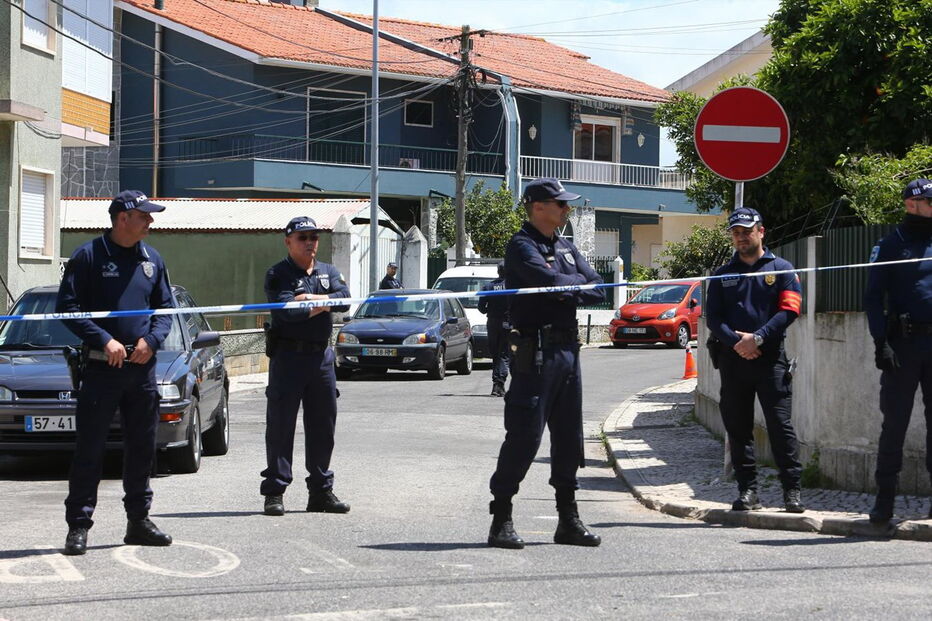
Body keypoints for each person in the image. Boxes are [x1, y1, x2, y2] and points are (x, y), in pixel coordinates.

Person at [487, 178, 604, 549]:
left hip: (568, 351)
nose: (566, 209)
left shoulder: (565, 246)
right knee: (524, 436)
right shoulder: (521, 245)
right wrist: (571, 286)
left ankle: (568, 519)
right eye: (560, 204)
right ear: (538, 206)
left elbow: (598, 286)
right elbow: (548, 281)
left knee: (569, 438)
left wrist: (567, 286)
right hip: (535, 354)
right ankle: (501, 517)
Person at [56, 190, 174, 556]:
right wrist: (105, 341)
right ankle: (79, 525)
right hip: (100, 368)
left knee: (142, 448)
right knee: (89, 448)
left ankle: (138, 520)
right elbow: (69, 308)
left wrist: (151, 342)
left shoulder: (151, 259)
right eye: (145, 215)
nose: (150, 222)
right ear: (123, 217)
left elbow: (166, 309)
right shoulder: (88, 256)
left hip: (141, 370)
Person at [705, 207, 805, 514]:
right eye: (736, 233)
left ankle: (792, 491)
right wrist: (739, 343)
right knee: (738, 428)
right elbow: (713, 318)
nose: (741, 237)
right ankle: (748, 491)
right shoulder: (722, 275)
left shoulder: (783, 268)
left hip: (770, 359)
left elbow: (790, 311)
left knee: (780, 426)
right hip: (734, 361)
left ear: (761, 231)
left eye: (746, 231)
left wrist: (757, 338)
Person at [261, 217, 351, 516]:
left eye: (314, 236)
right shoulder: (278, 274)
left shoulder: (328, 271)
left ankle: (321, 492)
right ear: (288, 241)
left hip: (321, 358)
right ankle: (275, 492)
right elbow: (289, 314)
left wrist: (313, 299)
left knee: (323, 426)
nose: (310, 242)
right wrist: (326, 303)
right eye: (303, 237)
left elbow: (346, 300)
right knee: (281, 427)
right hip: (288, 358)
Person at [864, 178, 932, 523]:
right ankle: (885, 502)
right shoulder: (891, 244)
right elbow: (873, 298)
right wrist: (881, 343)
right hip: (903, 346)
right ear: (911, 205)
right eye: (929, 201)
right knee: (894, 425)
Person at [477, 262, 510, 397]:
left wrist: (489, 310)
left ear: (498, 271)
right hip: (507, 324)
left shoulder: (489, 286)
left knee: (496, 354)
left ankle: (497, 384)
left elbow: (481, 307)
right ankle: (498, 383)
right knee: (504, 354)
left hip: (492, 324)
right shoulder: (512, 286)